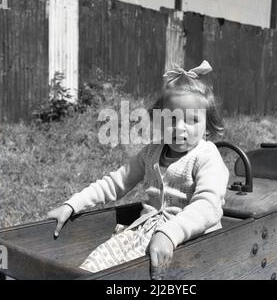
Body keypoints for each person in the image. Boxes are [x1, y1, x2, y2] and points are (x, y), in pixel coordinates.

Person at [47, 60, 230, 278]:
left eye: (192, 120)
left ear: (207, 126)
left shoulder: (207, 156)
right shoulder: (152, 152)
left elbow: (208, 206)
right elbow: (116, 182)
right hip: (145, 233)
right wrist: (72, 204)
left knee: (136, 275)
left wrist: (169, 233)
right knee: (93, 267)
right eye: (172, 118)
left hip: (189, 238)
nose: (180, 127)